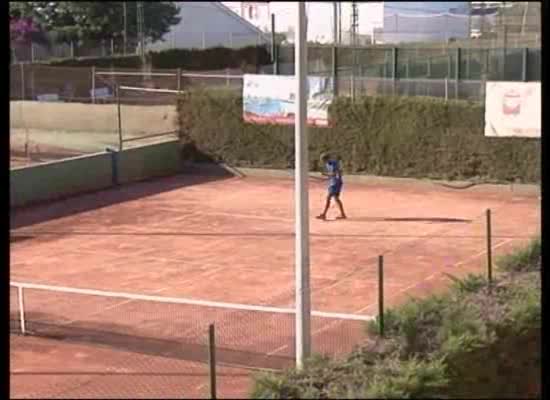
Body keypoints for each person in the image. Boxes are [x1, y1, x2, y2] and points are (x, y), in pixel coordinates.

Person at [317, 153, 347, 220]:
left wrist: (325, 175)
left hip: (335, 183)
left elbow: (336, 173)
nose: (323, 162)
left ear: (326, 159)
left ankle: (324, 214)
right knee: (336, 199)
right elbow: (333, 175)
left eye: (323, 160)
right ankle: (343, 214)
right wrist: (327, 178)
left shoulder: (334, 163)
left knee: (328, 198)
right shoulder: (328, 164)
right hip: (334, 183)